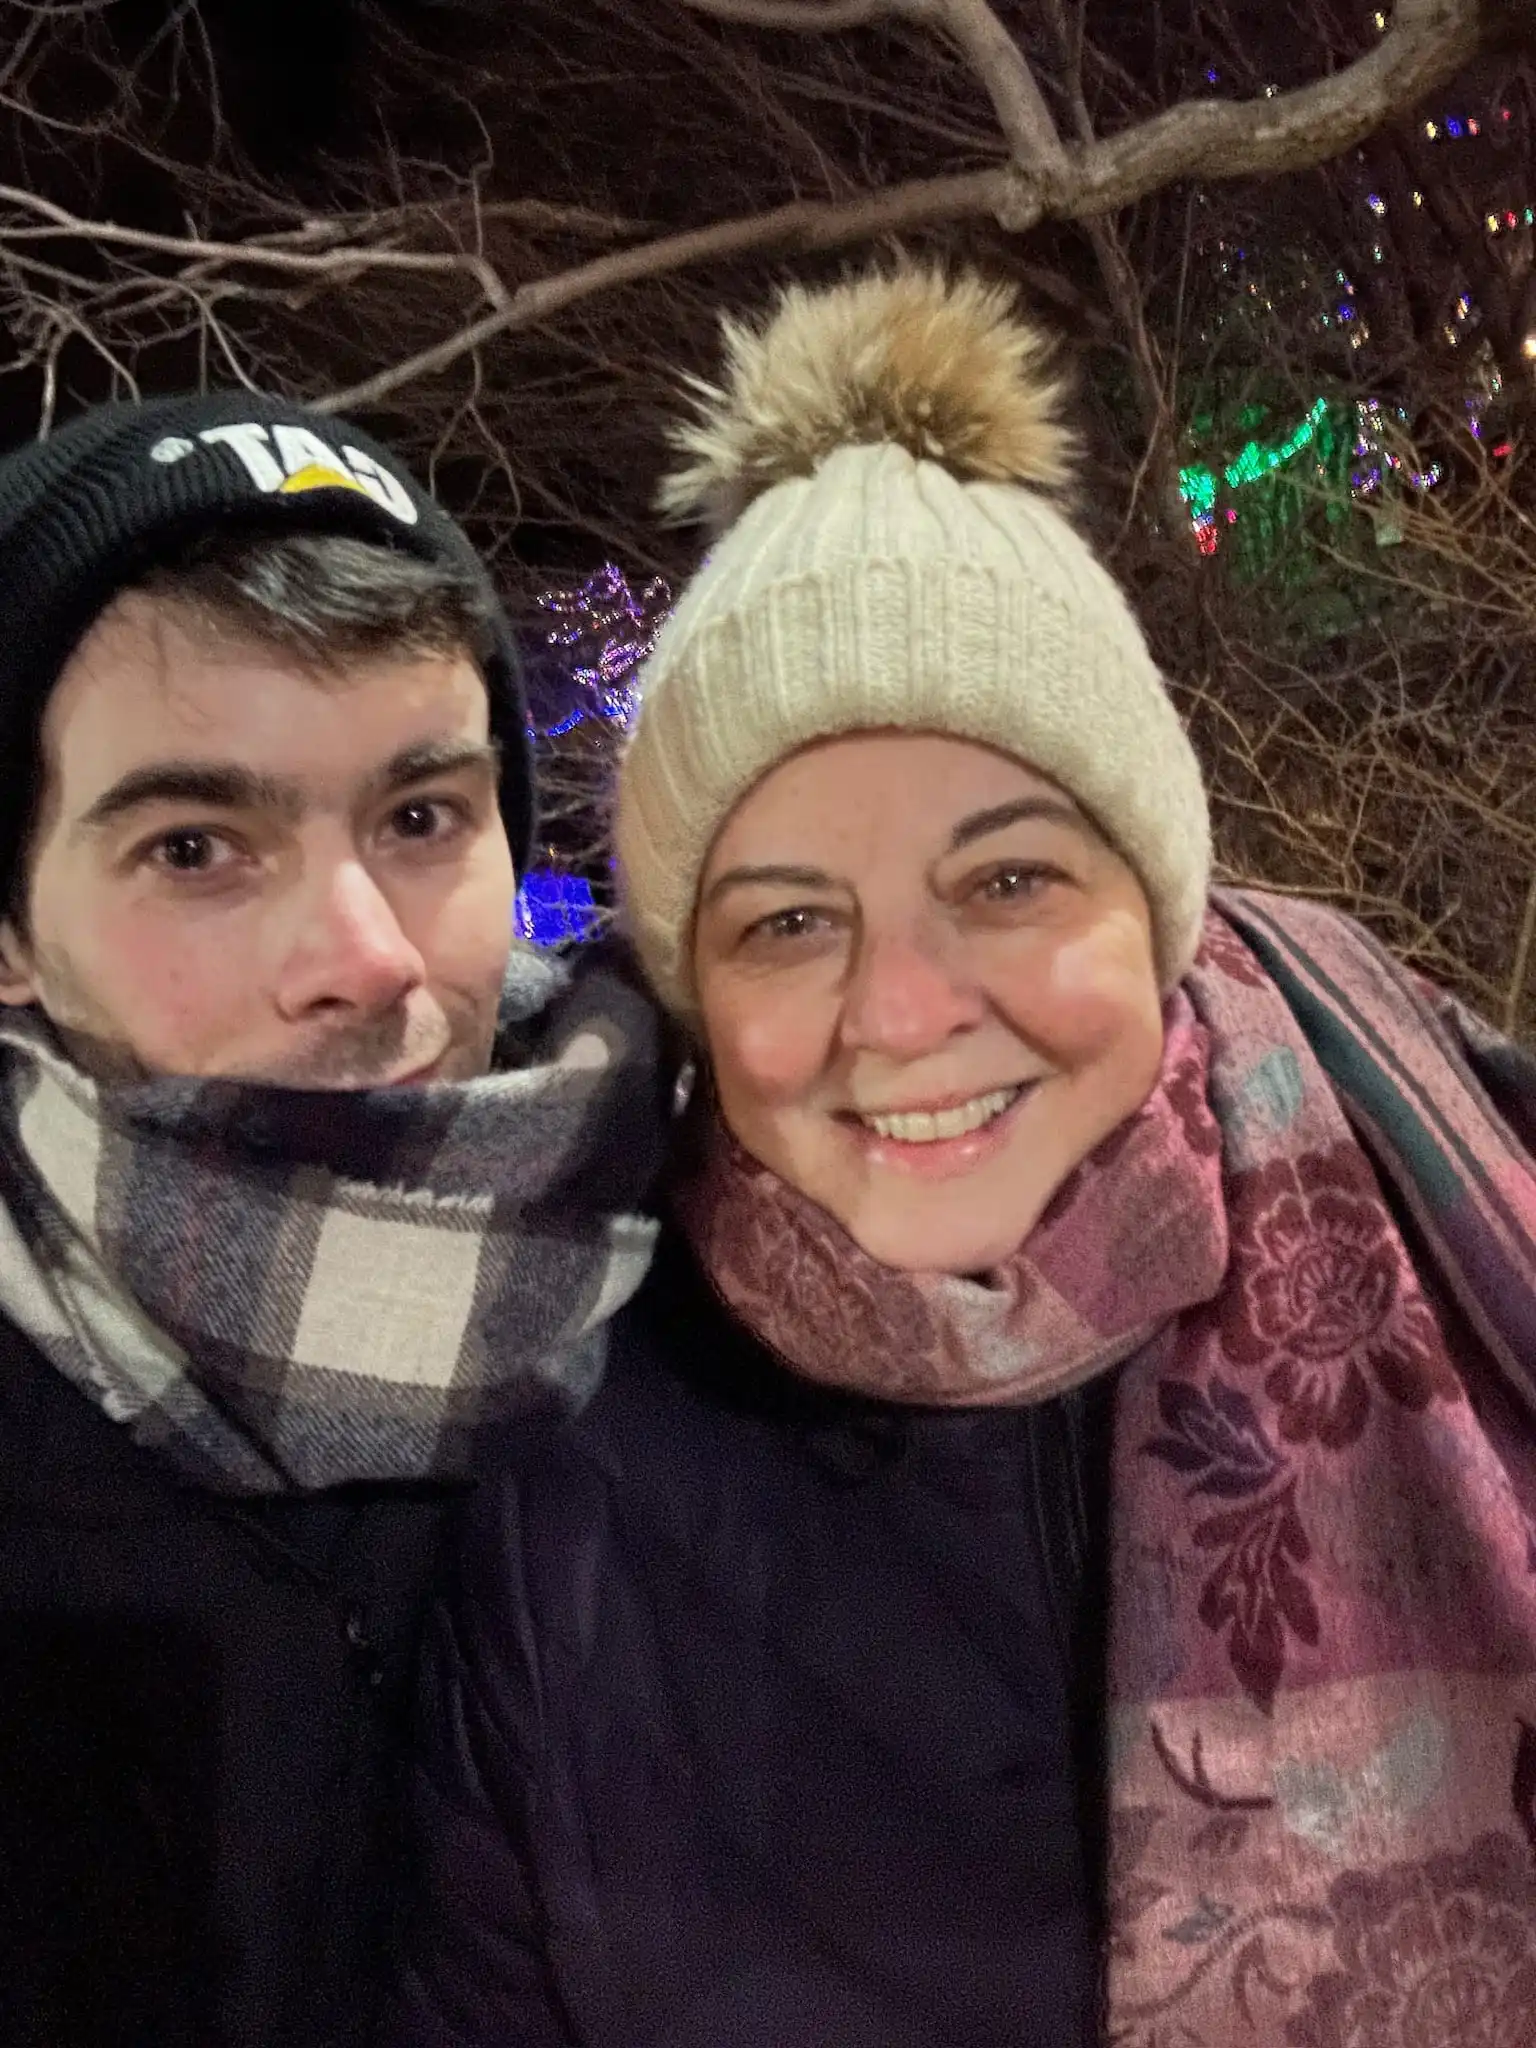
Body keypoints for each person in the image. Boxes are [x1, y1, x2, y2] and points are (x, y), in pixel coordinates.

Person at [392, 268, 1536, 2047]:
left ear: (1158, 907)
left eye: (1009, 879)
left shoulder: (1476, 1226)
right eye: (787, 923)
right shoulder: (568, 1486)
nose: (904, 1011)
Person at [0, 393, 666, 2048]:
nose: (365, 955)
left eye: (422, 817)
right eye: (198, 846)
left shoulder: (746, 1282)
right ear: (8, 934)